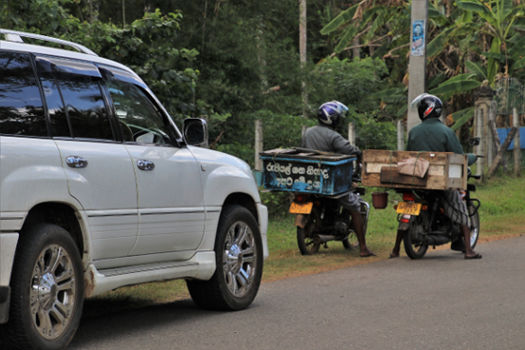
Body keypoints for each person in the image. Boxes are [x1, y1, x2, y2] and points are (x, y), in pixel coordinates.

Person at [389, 93, 482, 259]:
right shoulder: (446, 131)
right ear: (437, 111)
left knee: (407, 207)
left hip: (416, 180)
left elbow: (411, 154)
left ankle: (396, 250)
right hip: (439, 182)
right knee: (460, 209)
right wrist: (472, 158)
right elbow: (459, 157)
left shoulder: (414, 132)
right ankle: (468, 250)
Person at [302, 101, 375, 257]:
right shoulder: (333, 136)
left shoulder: (308, 132)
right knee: (354, 207)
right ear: (332, 119)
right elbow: (349, 149)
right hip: (330, 182)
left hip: (310, 179)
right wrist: (358, 152)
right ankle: (363, 248)